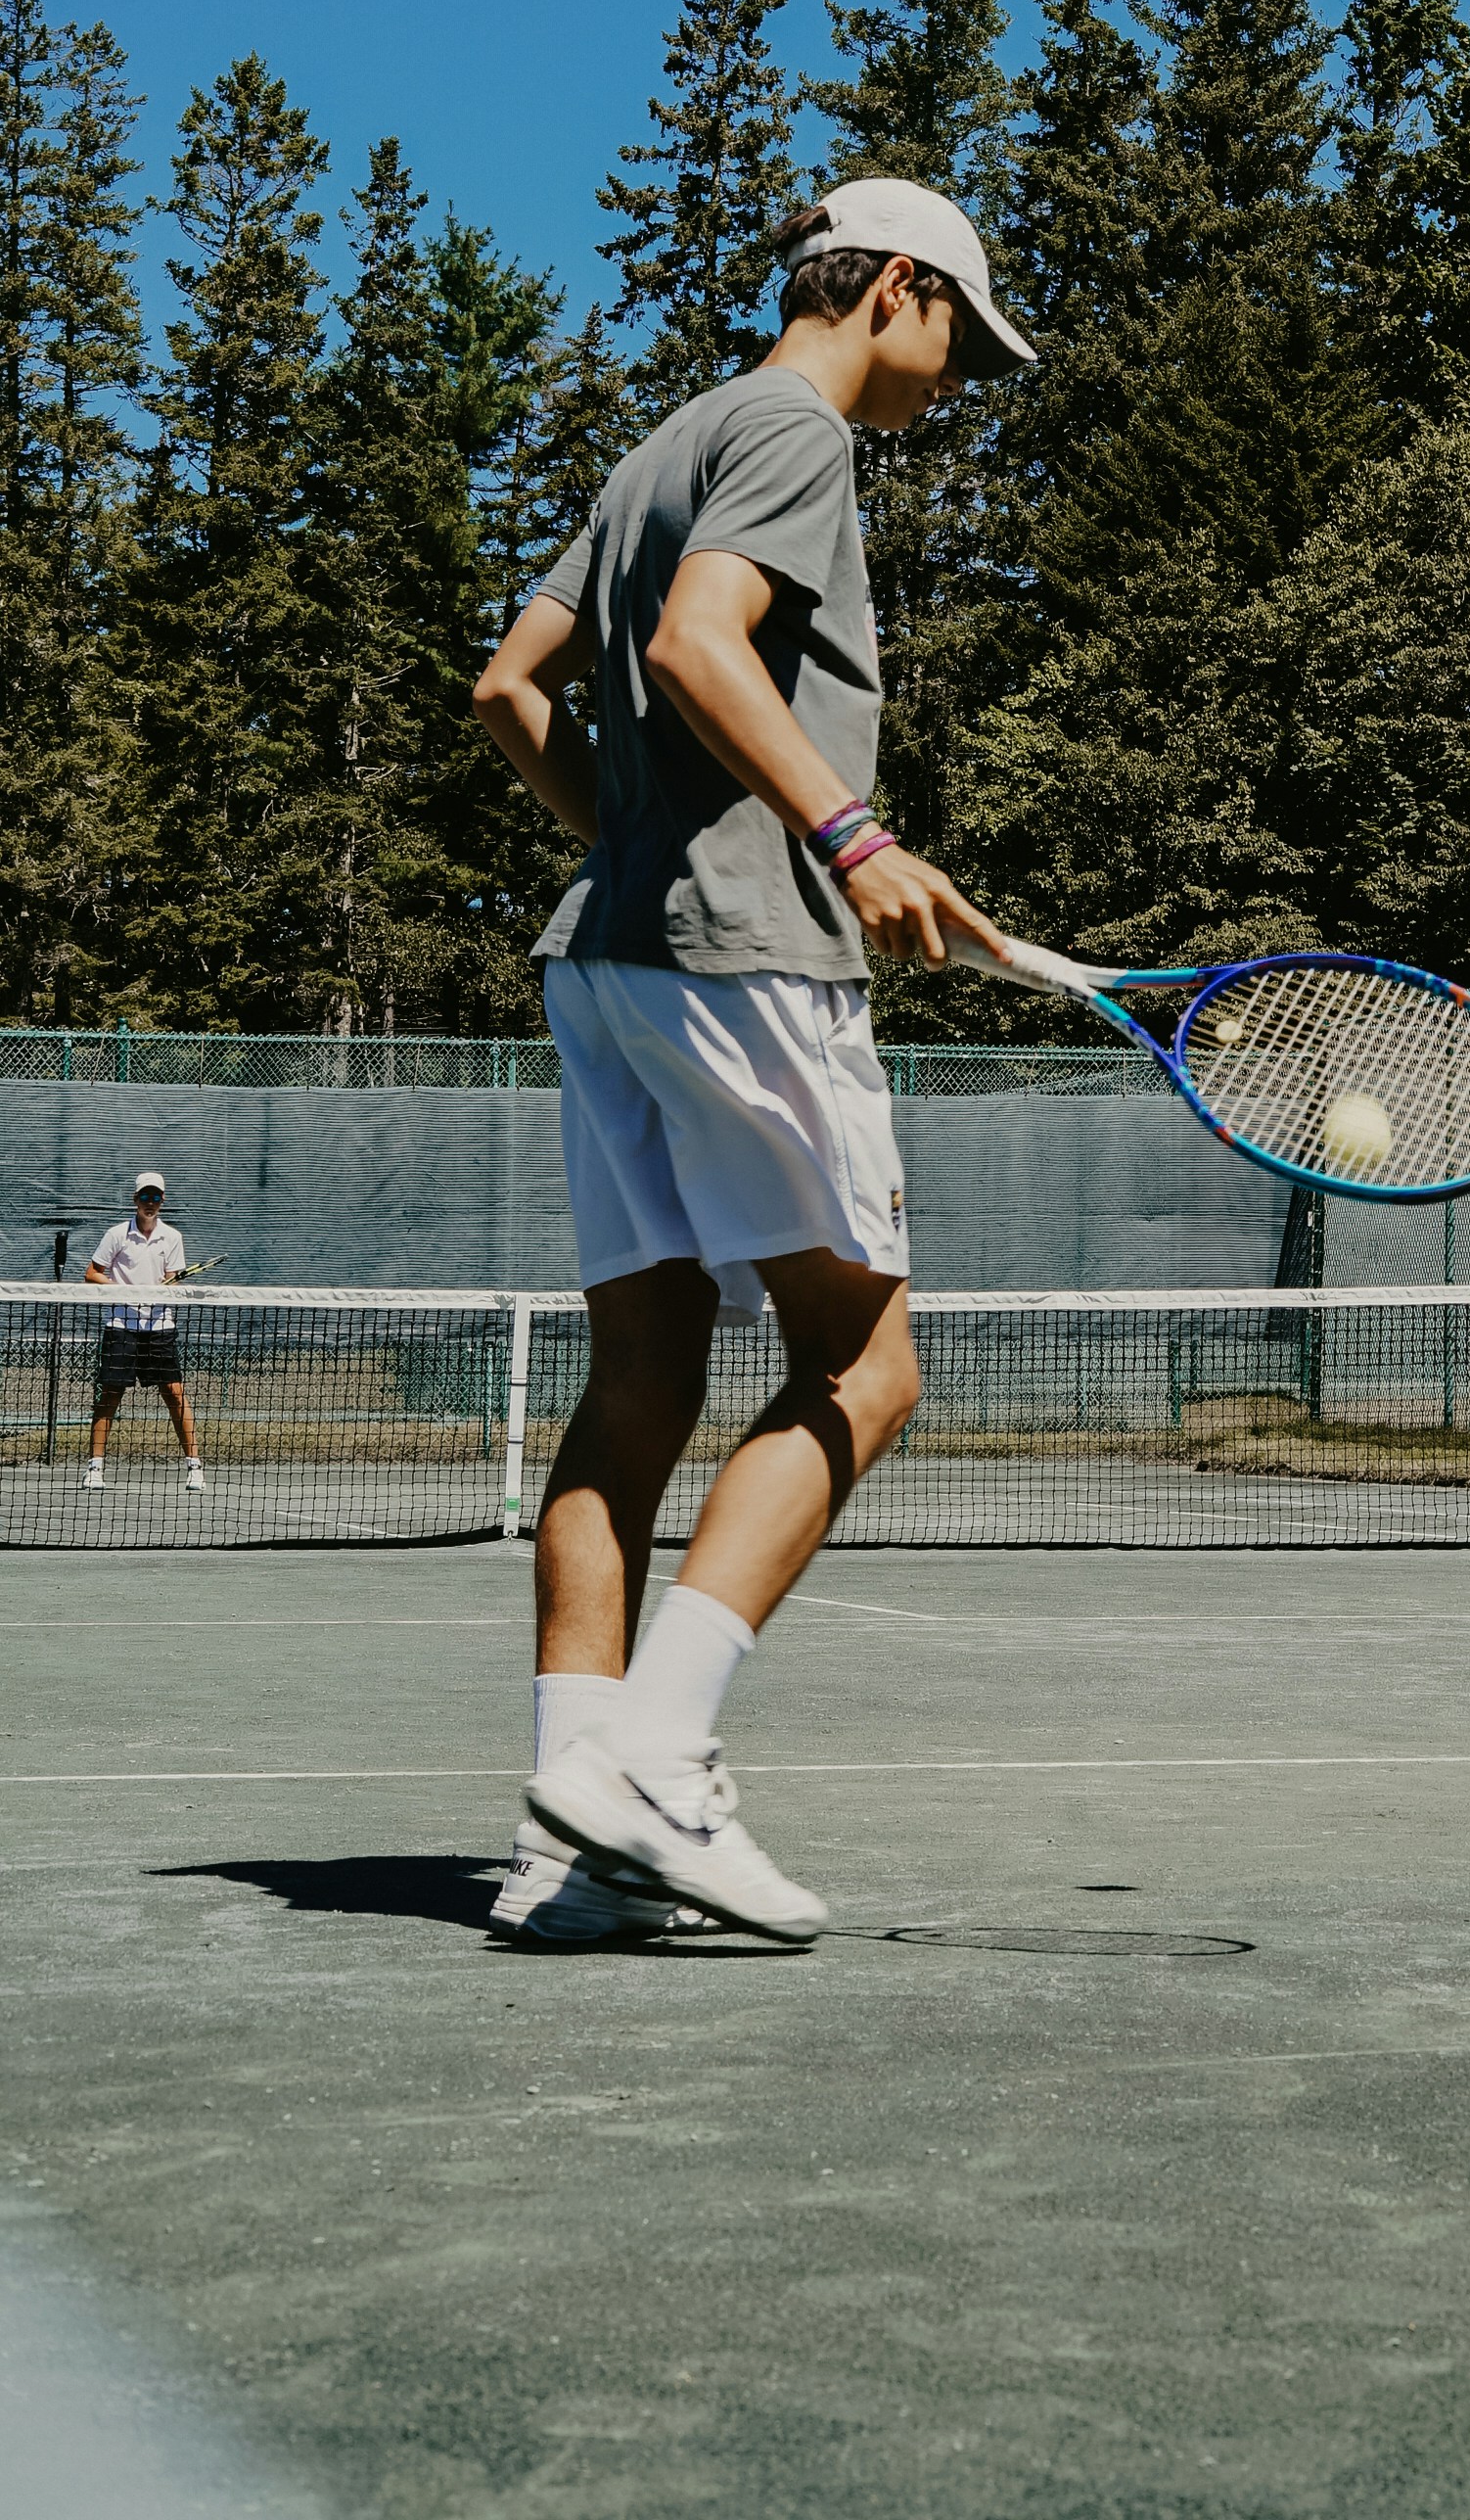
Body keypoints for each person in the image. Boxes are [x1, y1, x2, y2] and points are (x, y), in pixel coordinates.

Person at [471, 175, 1030, 1948]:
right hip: (743, 971)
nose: (955, 377)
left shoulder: (666, 442)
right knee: (866, 1373)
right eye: (956, 335)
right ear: (890, 292)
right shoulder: (796, 434)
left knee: (636, 1389)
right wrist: (845, 841)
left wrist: (639, 851)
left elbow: (508, 692)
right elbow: (693, 647)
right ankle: (654, 1759)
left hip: (612, 967)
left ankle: (565, 1852)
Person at [83, 1173, 204, 1494]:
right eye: (144, 1198)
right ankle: (95, 1468)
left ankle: (194, 1467)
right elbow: (92, 1273)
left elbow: (172, 1279)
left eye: (155, 1198)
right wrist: (120, 1290)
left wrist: (165, 1289)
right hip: (122, 1326)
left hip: (159, 1328)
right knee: (109, 1394)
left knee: (175, 1394)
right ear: (135, 1200)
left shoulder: (172, 1237)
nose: (150, 1203)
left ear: (162, 1201)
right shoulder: (116, 1234)